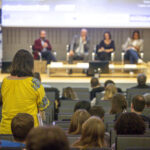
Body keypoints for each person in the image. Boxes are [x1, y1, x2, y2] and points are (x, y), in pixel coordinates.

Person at [0, 49, 49, 134]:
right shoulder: (35, 83)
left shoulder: (5, 82)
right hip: (30, 131)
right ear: (30, 65)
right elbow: (43, 106)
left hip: (5, 131)